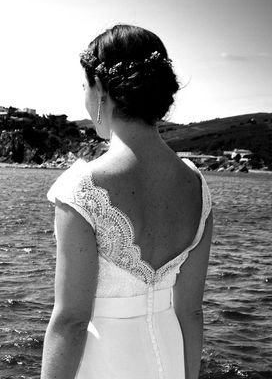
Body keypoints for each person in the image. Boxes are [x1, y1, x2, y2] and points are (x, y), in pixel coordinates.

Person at [40, 24, 213, 379]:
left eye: (84, 85)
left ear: (101, 89)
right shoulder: (196, 184)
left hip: (105, 364)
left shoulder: (82, 188)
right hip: (170, 356)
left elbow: (71, 321)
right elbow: (191, 312)